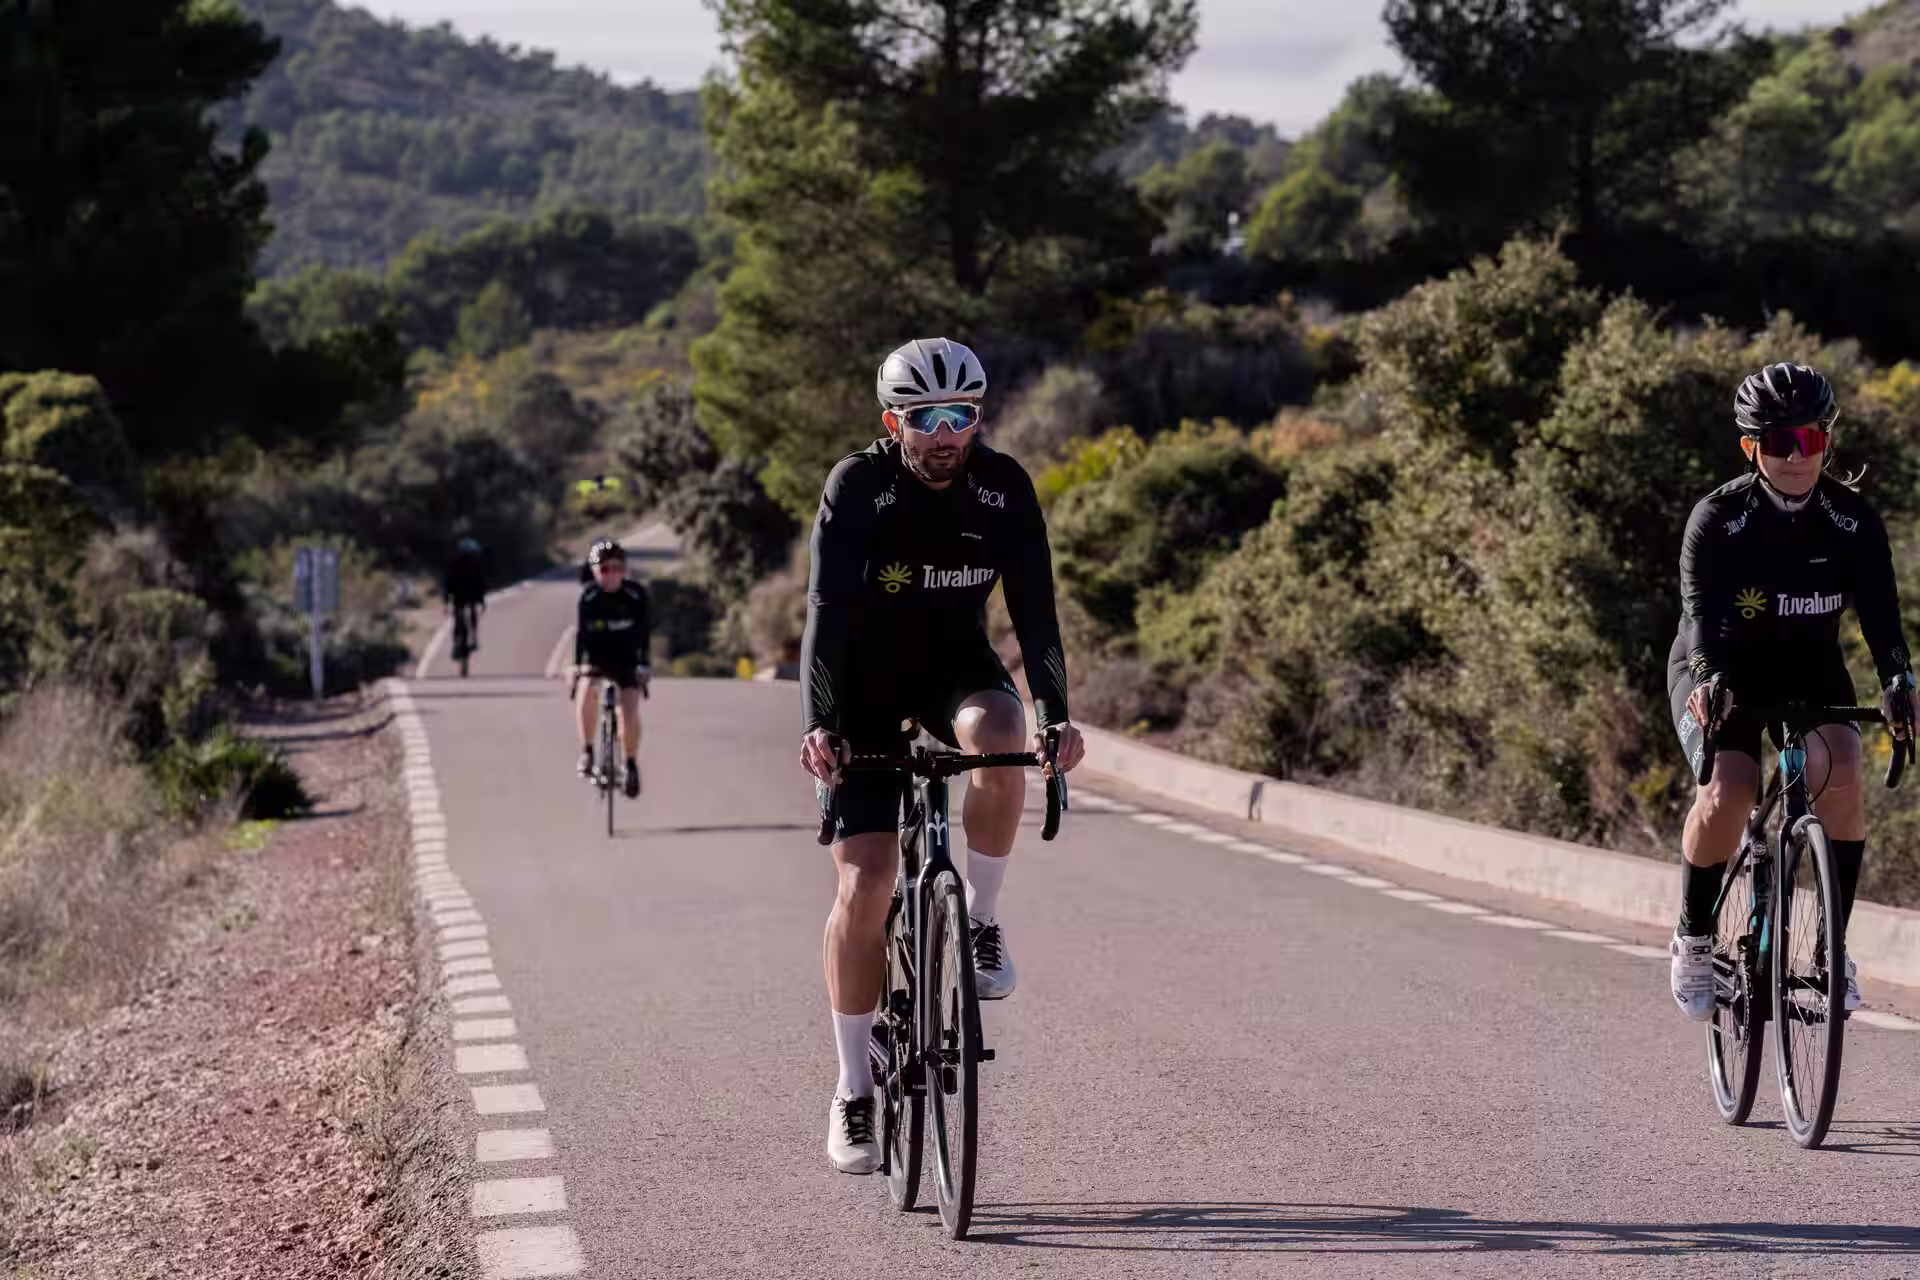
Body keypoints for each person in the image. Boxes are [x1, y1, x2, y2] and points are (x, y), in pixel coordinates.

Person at [798, 337, 1087, 1175]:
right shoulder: (860, 486)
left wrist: (1055, 719)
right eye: (926, 418)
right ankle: (854, 1087)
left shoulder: (1004, 489)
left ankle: (984, 924)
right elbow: (823, 613)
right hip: (862, 686)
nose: (945, 434)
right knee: (866, 881)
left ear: (979, 417)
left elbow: (1036, 615)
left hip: (955, 670)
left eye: (961, 415)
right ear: (896, 421)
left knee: (1000, 740)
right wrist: (820, 723)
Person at [1668, 362, 1918, 1020]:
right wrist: (1712, 681)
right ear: (1752, 448)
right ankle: (1694, 939)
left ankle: (1831, 948)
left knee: (1844, 763)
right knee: (1730, 789)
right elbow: (1699, 616)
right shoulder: (1718, 519)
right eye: (1780, 442)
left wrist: (1898, 679)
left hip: (1808, 667)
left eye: (1811, 439)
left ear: (1827, 442)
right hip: (1718, 667)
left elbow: (1883, 618)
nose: (1798, 456)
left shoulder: (1852, 520)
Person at [572, 538, 651, 799]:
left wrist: (644, 664)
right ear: (594, 571)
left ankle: (630, 763)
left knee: (629, 707)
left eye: (617, 568)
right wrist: (576, 666)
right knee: (586, 689)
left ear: (624, 569)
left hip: (626, 660)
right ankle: (587, 750)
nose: (611, 574)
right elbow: (581, 637)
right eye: (604, 569)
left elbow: (644, 634)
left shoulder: (636, 595)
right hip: (597, 659)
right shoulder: (589, 598)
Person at [445, 537, 487, 653]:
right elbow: (480, 585)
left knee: (461, 616)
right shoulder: (472, 565)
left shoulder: (457, 564)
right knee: (465, 614)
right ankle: (470, 636)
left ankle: (462, 639)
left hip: (462, 596)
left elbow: (448, 583)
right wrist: (482, 601)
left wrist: (447, 599)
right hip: (465, 596)